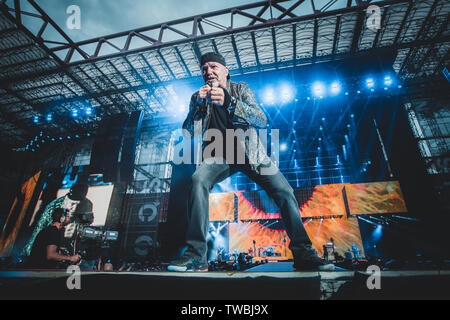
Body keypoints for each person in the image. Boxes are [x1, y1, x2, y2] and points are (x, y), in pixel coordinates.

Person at [167, 52, 334, 272]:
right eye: (204, 69)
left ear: (226, 70)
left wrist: (229, 102)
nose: (209, 72)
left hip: (251, 153)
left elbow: (261, 119)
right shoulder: (197, 97)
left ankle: (304, 254)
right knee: (198, 180)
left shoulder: (241, 89)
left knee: (284, 191)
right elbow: (188, 132)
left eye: (214, 66)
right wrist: (198, 105)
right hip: (218, 154)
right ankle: (196, 255)